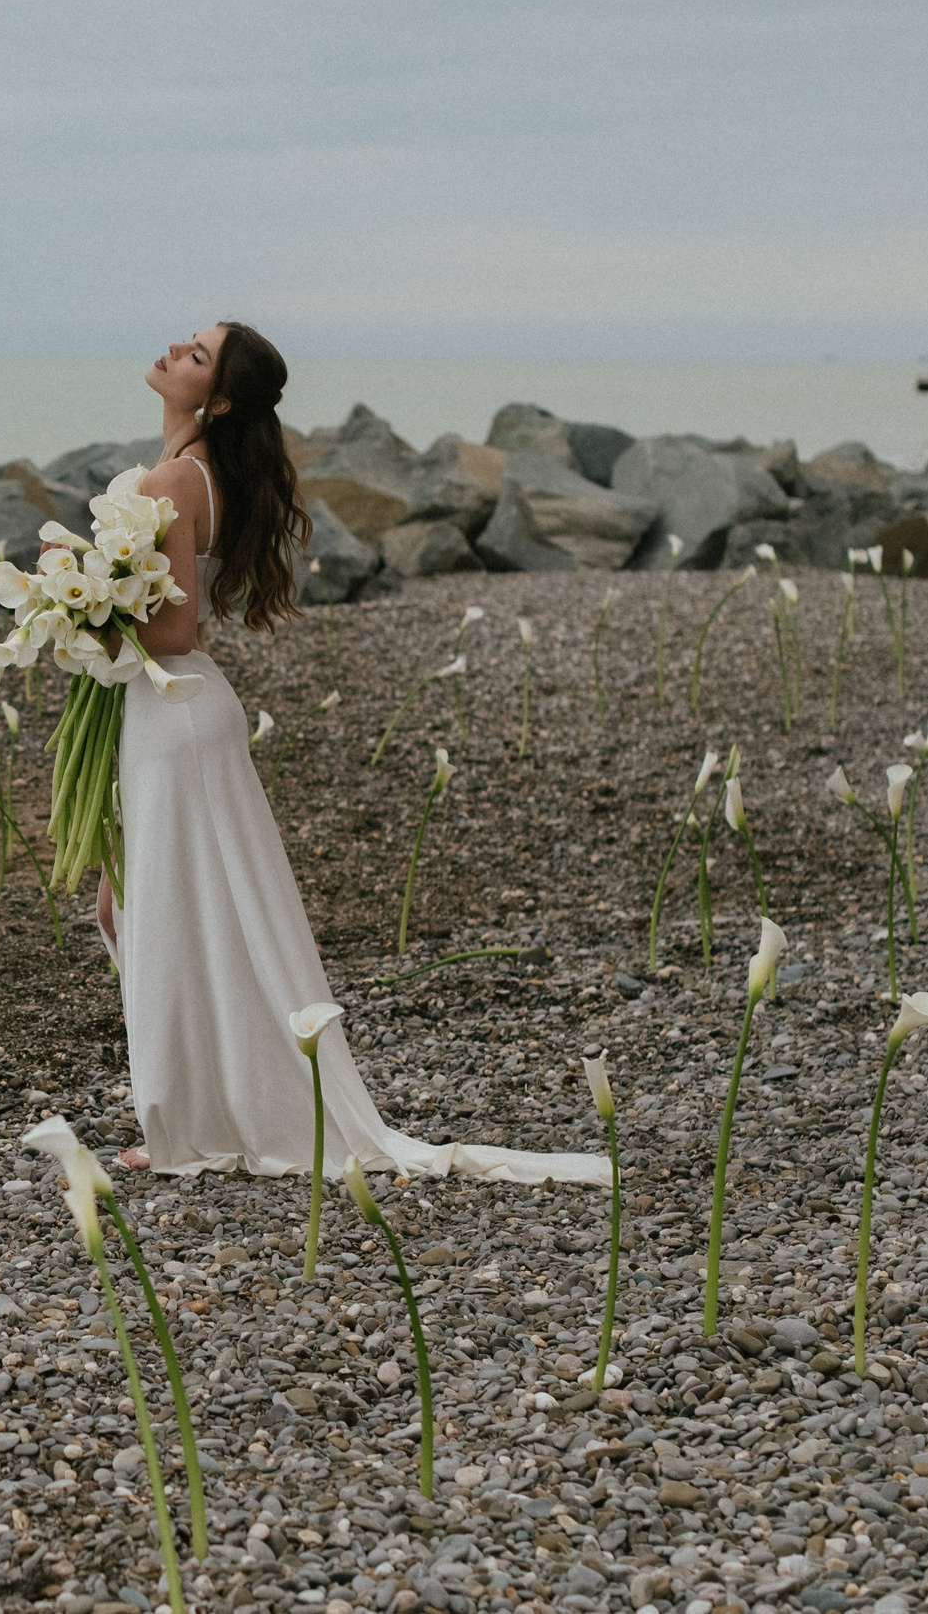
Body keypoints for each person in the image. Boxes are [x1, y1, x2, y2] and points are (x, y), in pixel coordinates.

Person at [99, 321, 608, 1187]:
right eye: (188, 342)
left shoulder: (175, 479)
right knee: (150, 910)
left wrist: (86, 616)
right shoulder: (197, 473)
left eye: (196, 355)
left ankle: (191, 1124)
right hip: (174, 708)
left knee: (165, 913)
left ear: (218, 401)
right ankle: (200, 1110)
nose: (175, 350)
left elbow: (175, 629)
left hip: (173, 704)